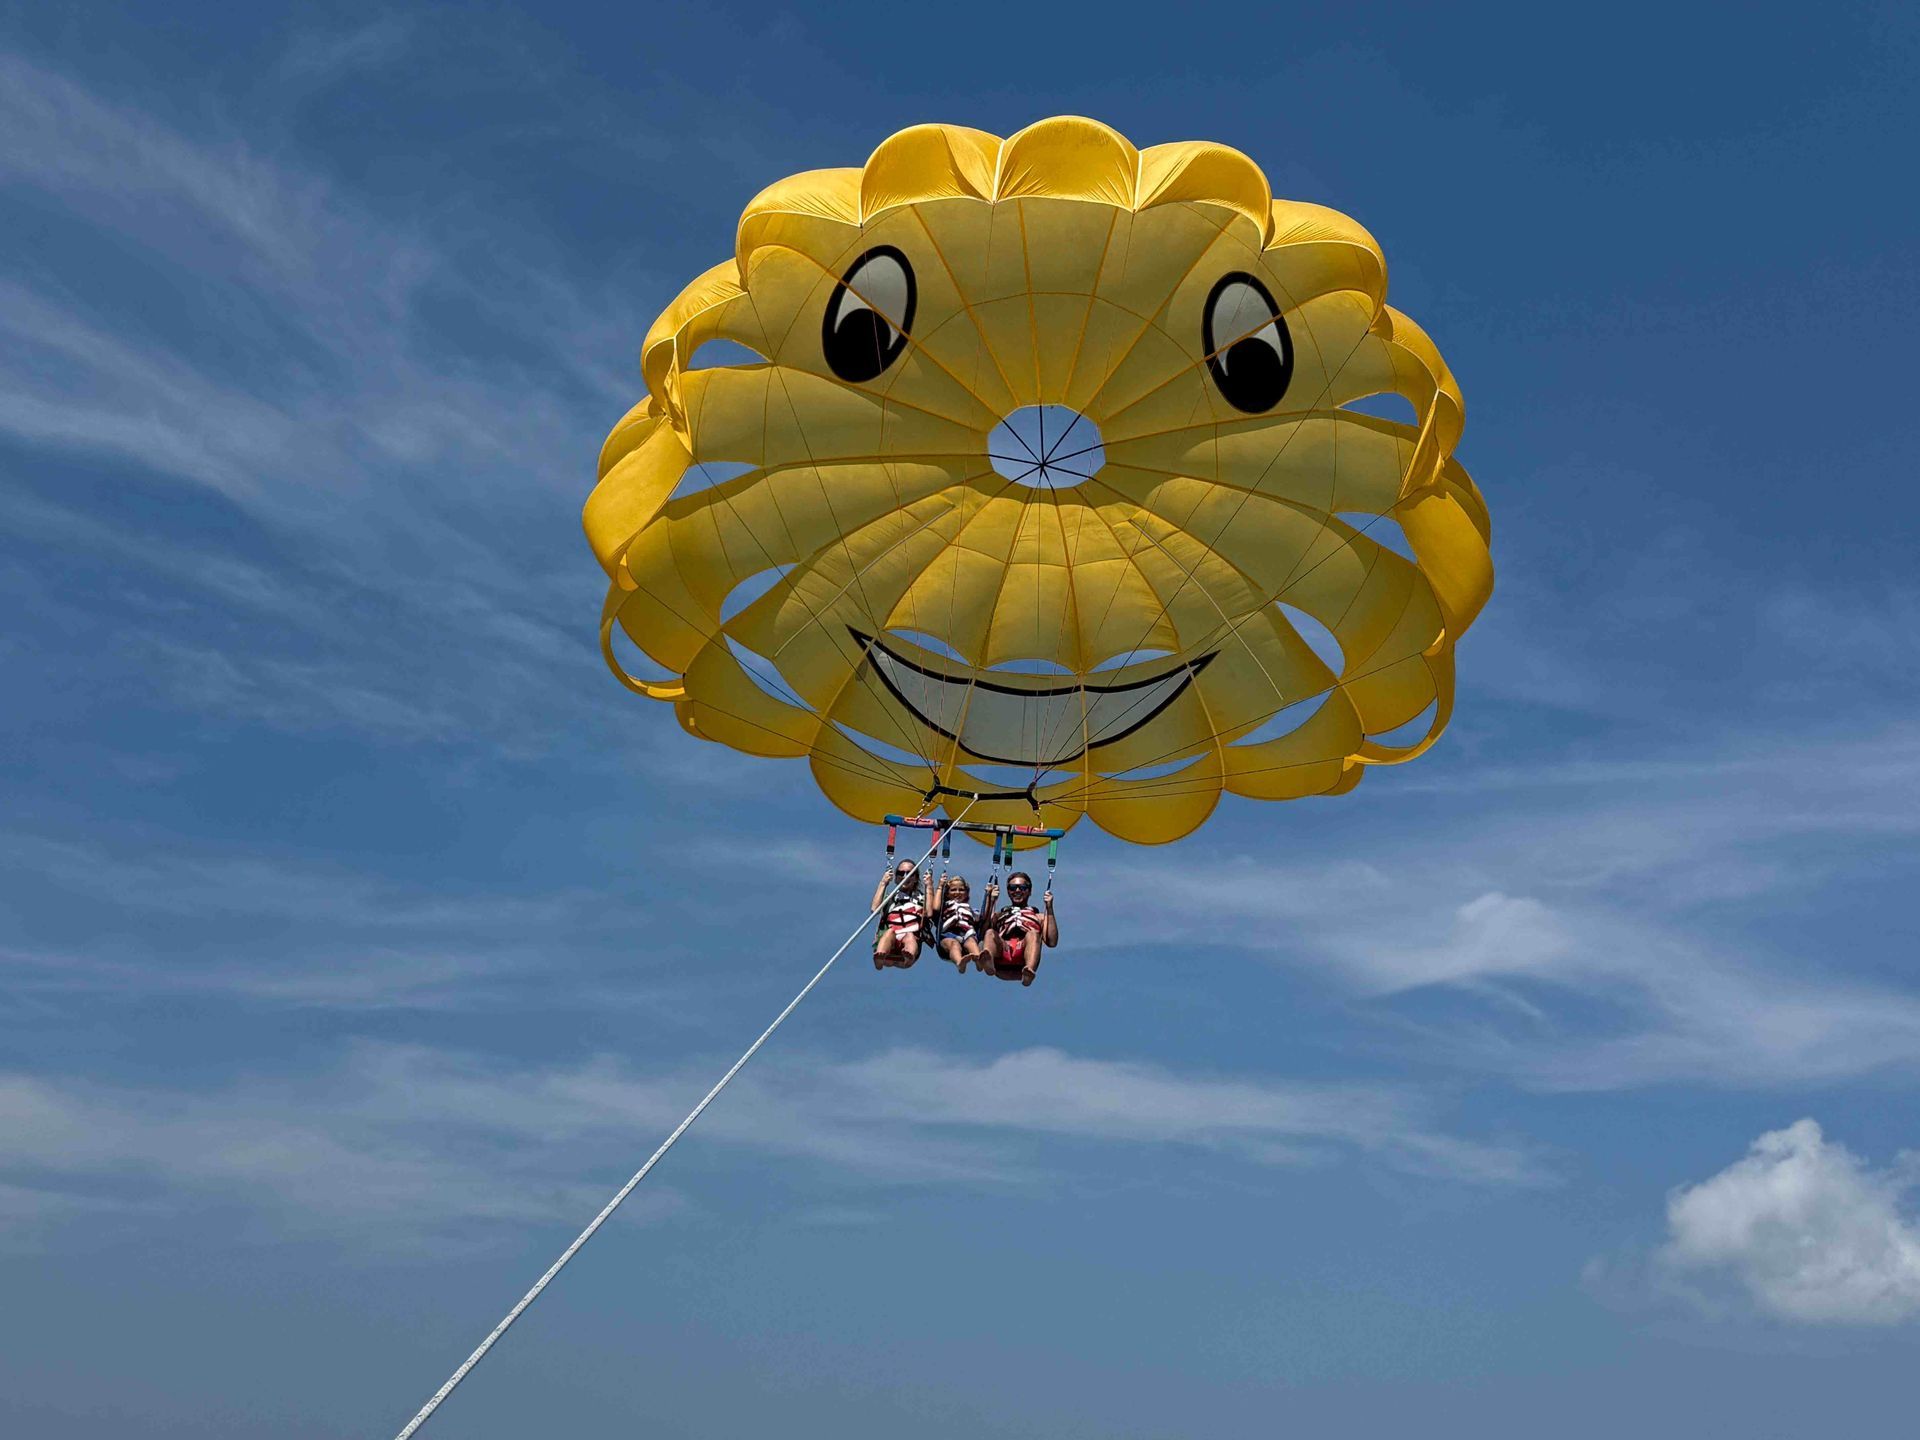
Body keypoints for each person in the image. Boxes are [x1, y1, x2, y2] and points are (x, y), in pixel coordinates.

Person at [979, 870, 1058, 986]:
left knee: (1033, 934)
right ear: (1008, 891)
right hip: (1002, 952)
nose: (1017, 891)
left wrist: (1049, 908)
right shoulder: (999, 915)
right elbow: (981, 933)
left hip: (1024, 954)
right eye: (1012, 887)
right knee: (990, 932)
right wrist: (990, 901)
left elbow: (1052, 942)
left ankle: (1029, 971)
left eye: (1022, 887)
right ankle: (988, 962)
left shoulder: (1038, 917)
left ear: (1029, 891)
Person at [871, 859, 931, 969]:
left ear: (916, 878)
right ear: (896, 877)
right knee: (889, 933)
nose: (905, 876)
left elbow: (930, 912)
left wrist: (929, 887)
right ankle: (880, 957)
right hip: (892, 939)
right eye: (901, 873)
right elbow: (874, 909)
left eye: (910, 873)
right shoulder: (890, 898)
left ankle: (909, 956)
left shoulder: (922, 899)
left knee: (910, 936)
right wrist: (883, 883)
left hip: (909, 937)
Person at [932, 874, 983, 974]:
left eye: (961, 890)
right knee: (954, 944)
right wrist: (940, 886)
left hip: (967, 934)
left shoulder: (971, 910)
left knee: (971, 942)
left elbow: (981, 920)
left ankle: (979, 959)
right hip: (948, 934)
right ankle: (960, 962)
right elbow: (935, 908)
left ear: (966, 893)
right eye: (953, 890)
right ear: (947, 893)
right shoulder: (944, 907)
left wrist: (990, 897)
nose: (957, 892)